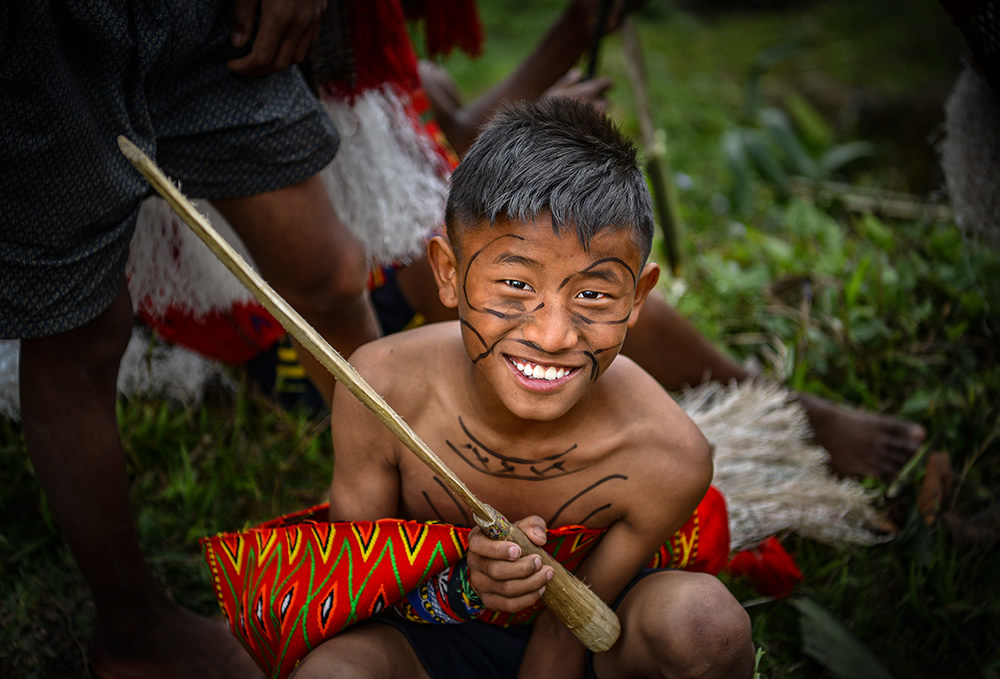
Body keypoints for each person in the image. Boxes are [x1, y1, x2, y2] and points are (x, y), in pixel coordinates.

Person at [290, 98, 755, 679]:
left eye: (593, 295)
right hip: (424, 638)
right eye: (514, 284)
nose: (553, 335)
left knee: (708, 627)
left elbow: (568, 630)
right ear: (448, 274)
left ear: (638, 297)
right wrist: (464, 587)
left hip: (596, 640)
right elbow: (358, 589)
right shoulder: (380, 390)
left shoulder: (666, 455)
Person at [1, 2, 379, 677]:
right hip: (37, 44)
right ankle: (134, 630)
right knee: (79, 335)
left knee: (330, 272)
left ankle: (405, 533)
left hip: (201, 16)